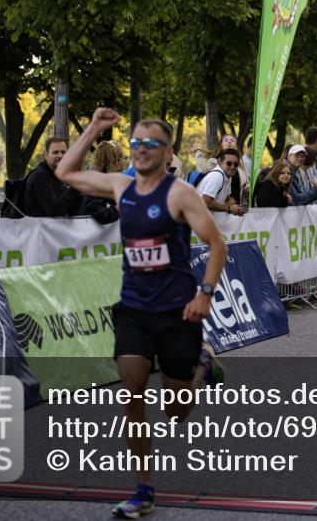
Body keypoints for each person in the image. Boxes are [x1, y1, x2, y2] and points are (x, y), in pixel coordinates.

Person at [55, 109, 227, 519]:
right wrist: (95, 128)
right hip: (134, 309)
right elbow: (65, 171)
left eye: (150, 143)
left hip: (177, 313)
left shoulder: (180, 193)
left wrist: (204, 294)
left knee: (175, 410)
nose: (140, 149)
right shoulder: (120, 185)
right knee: (131, 392)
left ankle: (202, 362)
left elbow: (216, 245)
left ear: (167, 153)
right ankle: (143, 489)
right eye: (134, 142)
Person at [22, 137, 83, 217]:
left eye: (63, 152)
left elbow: (72, 211)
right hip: (40, 228)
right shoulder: (40, 176)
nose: (60, 155)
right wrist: (74, 188)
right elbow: (54, 210)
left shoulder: (58, 176)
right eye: (55, 152)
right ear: (46, 155)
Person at [80, 141, 125, 224]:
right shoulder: (97, 182)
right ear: (114, 161)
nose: (124, 162)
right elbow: (98, 213)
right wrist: (117, 210)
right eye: (122, 158)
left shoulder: (105, 180)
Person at [197, 149, 245, 216]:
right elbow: (206, 202)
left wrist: (235, 205)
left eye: (236, 164)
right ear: (220, 163)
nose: (232, 167)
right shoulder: (217, 176)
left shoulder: (227, 176)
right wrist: (229, 209)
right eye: (229, 163)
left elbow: (226, 198)